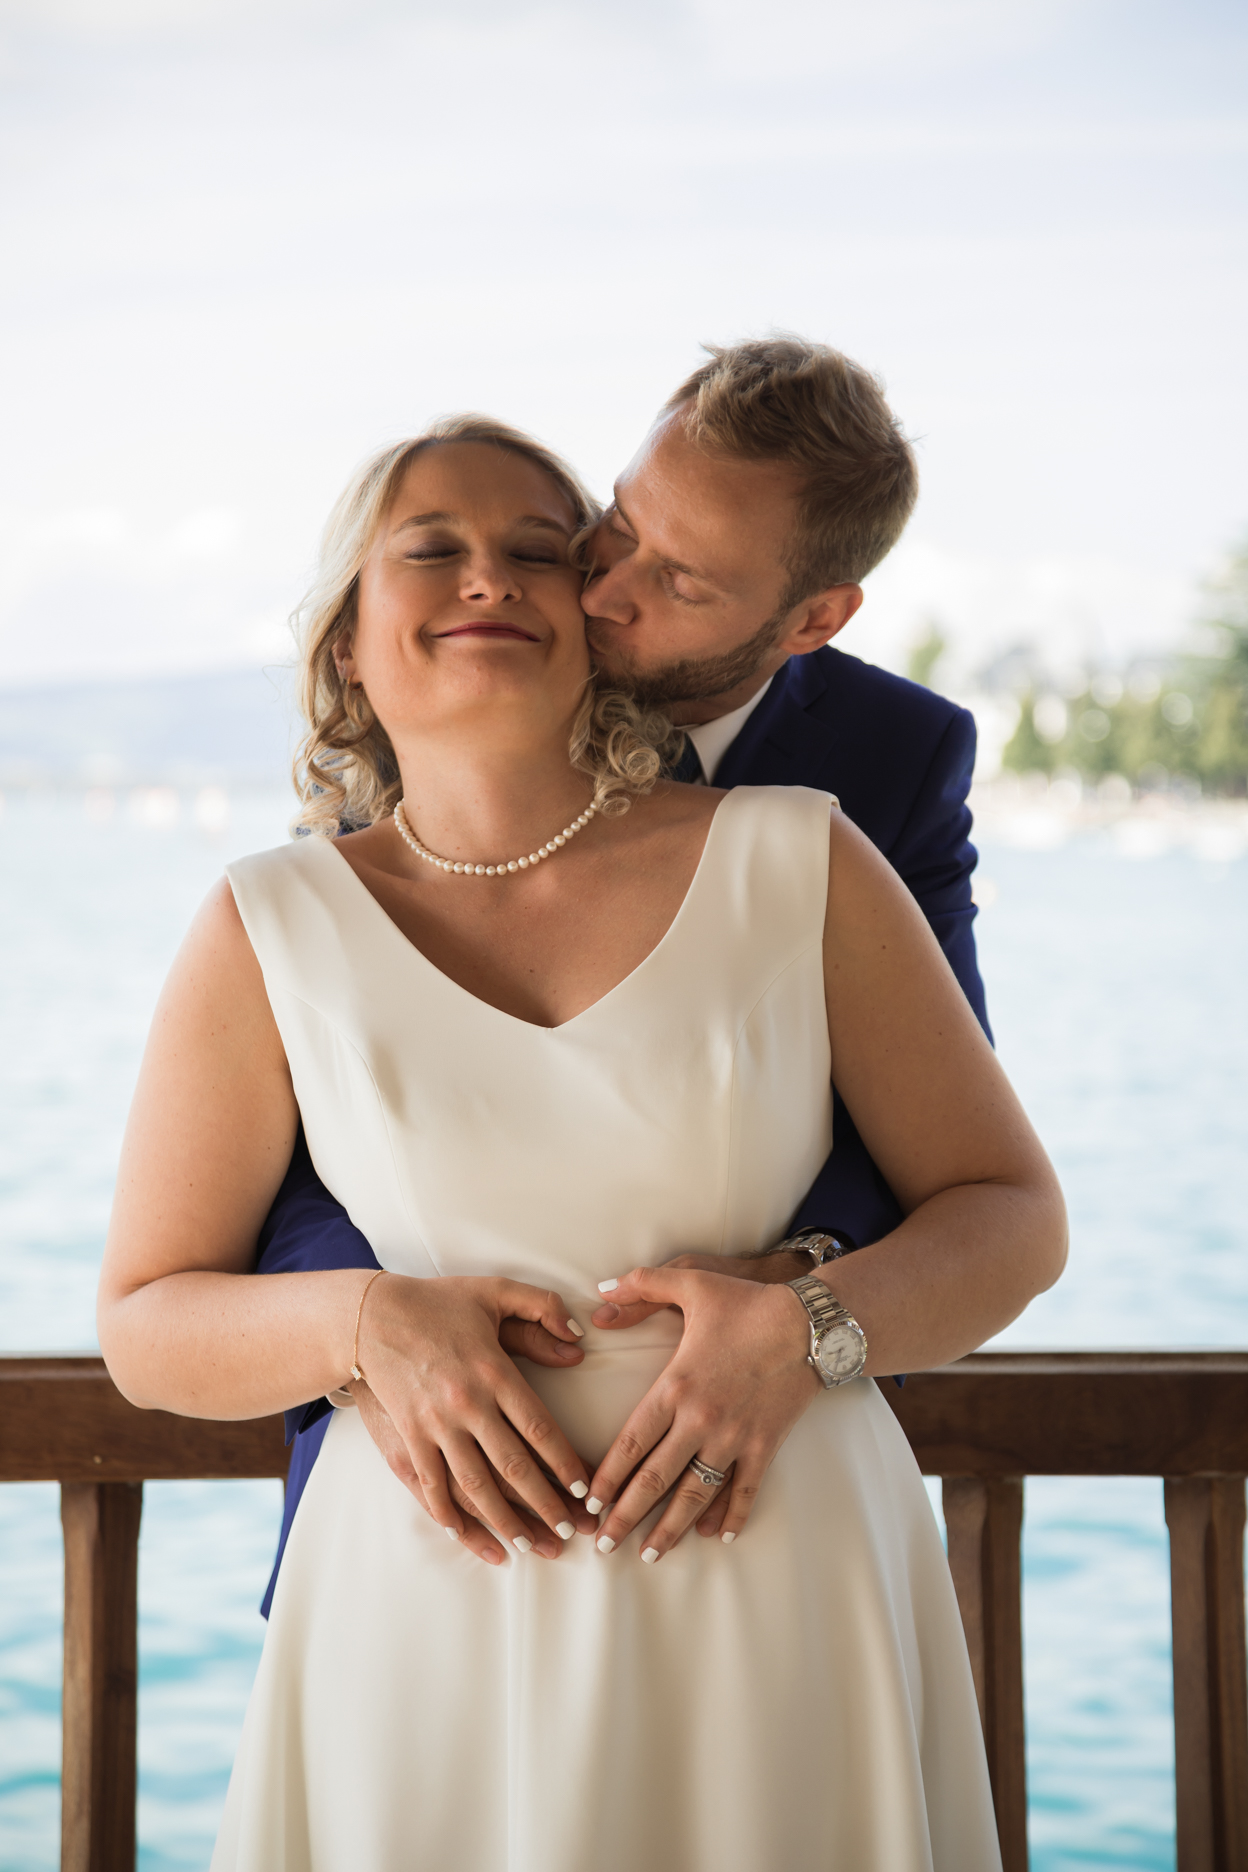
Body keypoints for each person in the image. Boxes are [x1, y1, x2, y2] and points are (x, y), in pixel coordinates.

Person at [98, 405, 1065, 1869]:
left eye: (538, 550)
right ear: (348, 640)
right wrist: (363, 1323)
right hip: (424, 1616)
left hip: (781, 1584)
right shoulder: (266, 925)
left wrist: (807, 1323)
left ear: (596, 620)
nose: (488, 577)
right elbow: (147, 1323)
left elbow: (1011, 1215)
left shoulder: (801, 856)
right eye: (432, 549)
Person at [258, 340, 995, 1589]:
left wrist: (803, 1295)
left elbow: (943, 1143)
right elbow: (324, 1103)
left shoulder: (884, 766)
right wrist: (374, 1332)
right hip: (428, 1506)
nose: (601, 593)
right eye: (618, 524)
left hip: (748, 1501)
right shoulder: (473, 671)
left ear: (812, 620)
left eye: (682, 579)